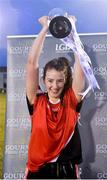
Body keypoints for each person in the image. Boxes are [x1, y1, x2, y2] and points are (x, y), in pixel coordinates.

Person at [24, 16, 86, 179]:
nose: (54, 86)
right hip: (37, 171)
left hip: (65, 172)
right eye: (50, 81)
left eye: (60, 81)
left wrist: (73, 30)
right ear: (43, 80)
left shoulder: (72, 100)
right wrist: (45, 28)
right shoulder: (36, 100)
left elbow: (81, 64)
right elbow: (31, 63)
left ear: (66, 81)